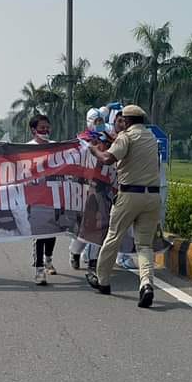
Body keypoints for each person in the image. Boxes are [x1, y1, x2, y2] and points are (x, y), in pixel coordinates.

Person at [86, 104, 161, 309]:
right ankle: (146, 284)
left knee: (113, 236)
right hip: (152, 197)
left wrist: (92, 149)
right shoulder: (151, 138)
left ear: (127, 121)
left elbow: (108, 158)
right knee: (144, 245)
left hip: (129, 195)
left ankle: (103, 281)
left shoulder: (126, 137)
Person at [70, 107, 106, 271]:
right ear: (89, 122)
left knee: (99, 224)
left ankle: (93, 260)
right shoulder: (81, 139)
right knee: (85, 226)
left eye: (101, 121)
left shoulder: (105, 138)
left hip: (101, 186)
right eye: (96, 121)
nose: (99, 124)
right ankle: (75, 253)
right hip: (83, 187)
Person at [28, 114, 57, 285]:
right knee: (40, 233)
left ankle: (48, 260)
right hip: (36, 197)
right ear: (33, 130)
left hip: (53, 195)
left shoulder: (56, 147)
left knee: (52, 230)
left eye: (47, 127)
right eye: (42, 127)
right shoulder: (26, 149)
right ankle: (39, 269)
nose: (45, 130)